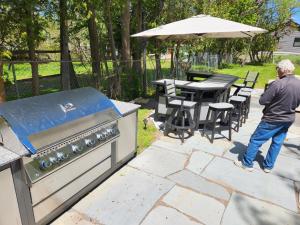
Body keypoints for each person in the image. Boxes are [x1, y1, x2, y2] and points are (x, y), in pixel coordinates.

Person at [235, 59, 300, 173]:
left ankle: (247, 163)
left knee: (256, 140)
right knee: (277, 142)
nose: (277, 71)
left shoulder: (278, 83)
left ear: (283, 70)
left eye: (277, 69)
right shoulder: (298, 83)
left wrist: (271, 87)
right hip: (288, 119)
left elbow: (262, 100)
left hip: (272, 119)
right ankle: (268, 166)